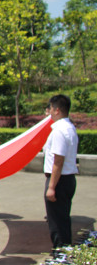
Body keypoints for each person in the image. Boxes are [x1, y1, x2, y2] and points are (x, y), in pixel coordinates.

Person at [43, 94, 79, 248]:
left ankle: (60, 253)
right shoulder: (69, 127)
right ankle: (65, 251)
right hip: (67, 179)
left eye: (50, 109)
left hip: (59, 181)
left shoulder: (59, 130)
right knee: (63, 218)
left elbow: (58, 161)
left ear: (57, 110)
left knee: (57, 221)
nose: (48, 112)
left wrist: (51, 187)